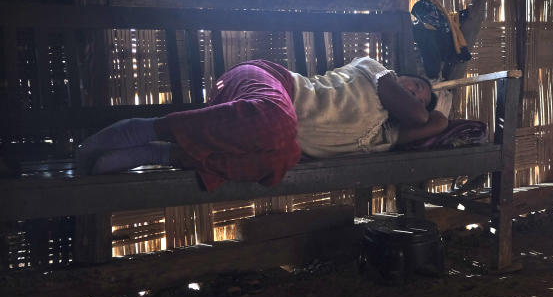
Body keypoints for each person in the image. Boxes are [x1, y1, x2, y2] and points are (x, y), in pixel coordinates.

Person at [76, 56, 448, 190]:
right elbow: (419, 115)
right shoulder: (374, 70)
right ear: (402, 77)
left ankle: (158, 153)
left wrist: (439, 108)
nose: (415, 96)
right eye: (415, 86)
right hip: (267, 83)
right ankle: (143, 128)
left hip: (258, 130)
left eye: (421, 97)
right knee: (276, 125)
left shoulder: (384, 135)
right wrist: (425, 106)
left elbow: (435, 122)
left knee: (280, 160)